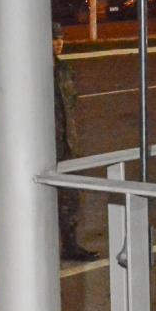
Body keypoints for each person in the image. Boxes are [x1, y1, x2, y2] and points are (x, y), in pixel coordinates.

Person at [52, 24, 98, 261]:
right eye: (54, 39)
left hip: (68, 142)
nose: (59, 43)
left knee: (71, 196)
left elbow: (71, 104)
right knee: (47, 198)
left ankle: (70, 245)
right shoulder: (36, 71)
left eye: (61, 39)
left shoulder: (64, 69)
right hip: (47, 145)